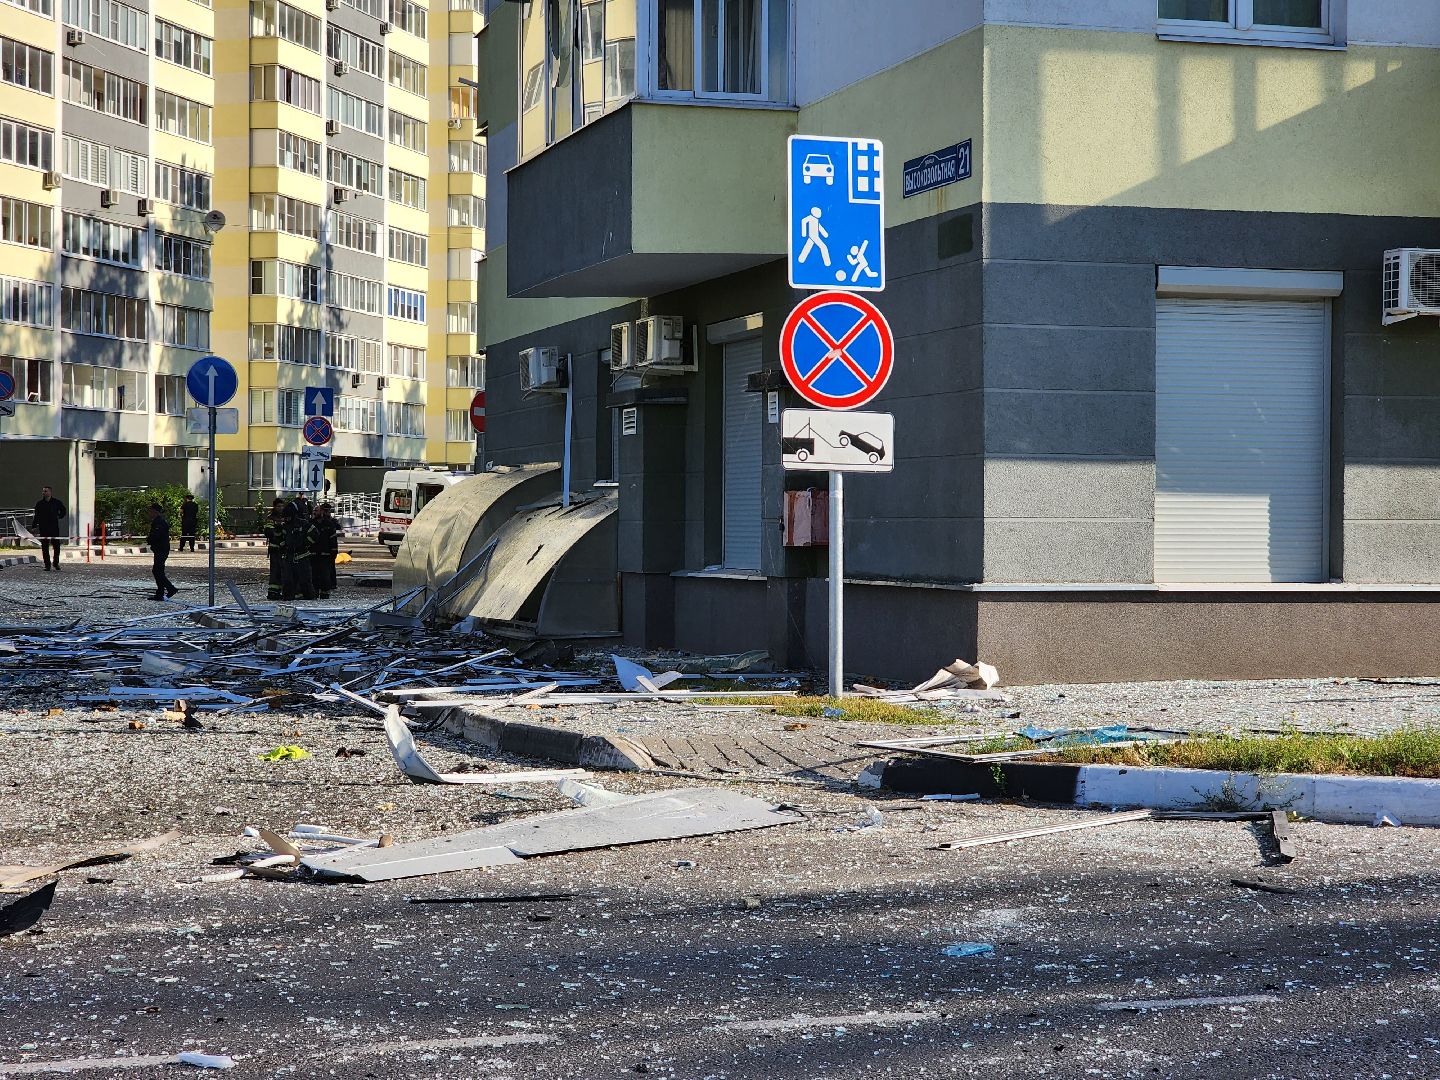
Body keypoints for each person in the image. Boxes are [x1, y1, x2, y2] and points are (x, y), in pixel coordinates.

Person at [280, 502, 316, 601]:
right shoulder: (285, 526)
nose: (286, 519)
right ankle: (288, 597)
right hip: (289, 556)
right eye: (285, 517)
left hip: (302, 556)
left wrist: (304, 543)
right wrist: (283, 546)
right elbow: (281, 538)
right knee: (288, 579)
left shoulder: (303, 524)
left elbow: (315, 533)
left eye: (288, 517)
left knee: (305, 579)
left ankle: (309, 596)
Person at [146, 502, 177, 601]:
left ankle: (170, 588)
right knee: (158, 571)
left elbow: (156, 535)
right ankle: (160, 593)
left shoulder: (159, 522)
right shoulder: (158, 521)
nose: (149, 513)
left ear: (155, 511)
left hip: (161, 549)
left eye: (150, 511)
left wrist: (149, 539)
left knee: (157, 571)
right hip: (160, 549)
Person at [32, 486, 66, 572]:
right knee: (45, 547)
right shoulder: (39, 504)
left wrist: (59, 516)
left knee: (56, 546)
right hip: (43, 528)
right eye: (43, 491)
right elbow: (36, 515)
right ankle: (47, 565)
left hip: (54, 527)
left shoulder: (56, 502)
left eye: (45, 491)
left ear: (50, 492)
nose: (44, 493)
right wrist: (34, 526)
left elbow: (63, 510)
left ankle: (56, 563)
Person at [311, 503, 340, 600]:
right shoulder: (311, 523)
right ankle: (314, 592)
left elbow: (333, 539)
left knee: (325, 576)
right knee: (314, 575)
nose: (315, 513)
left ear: (321, 512)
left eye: (317, 511)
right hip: (313, 554)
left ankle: (325, 593)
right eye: (314, 511)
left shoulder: (328, 524)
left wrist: (334, 552)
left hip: (325, 555)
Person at [263, 498, 286, 600]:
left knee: (283, 571)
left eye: (282, 506)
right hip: (274, 549)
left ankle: (280, 591)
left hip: (284, 549)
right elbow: (268, 532)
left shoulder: (285, 517)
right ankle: (272, 593)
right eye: (278, 506)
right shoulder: (271, 518)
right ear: (274, 507)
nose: (281, 508)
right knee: (275, 571)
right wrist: (278, 529)